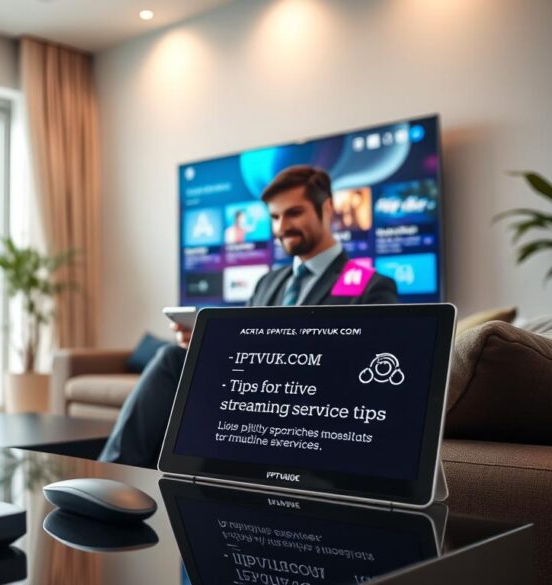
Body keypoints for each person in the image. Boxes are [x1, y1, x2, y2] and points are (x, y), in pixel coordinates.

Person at [99, 165, 398, 468]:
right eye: (275, 217)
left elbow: (367, 372)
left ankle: (118, 475)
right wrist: (207, 343)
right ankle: (117, 475)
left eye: (294, 213)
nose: (282, 227)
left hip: (305, 405)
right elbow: (244, 346)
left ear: (327, 209)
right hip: (246, 395)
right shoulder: (268, 283)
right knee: (174, 358)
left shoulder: (370, 285)